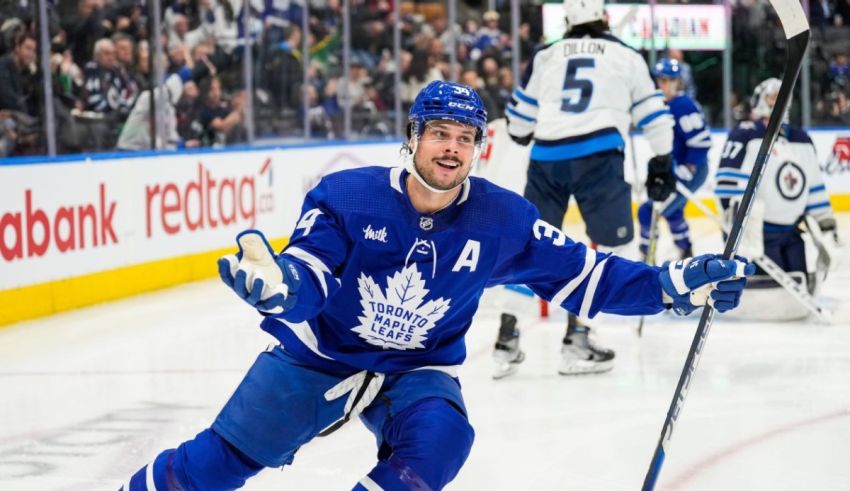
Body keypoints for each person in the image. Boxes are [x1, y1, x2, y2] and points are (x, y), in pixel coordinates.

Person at [121, 81, 752, 491]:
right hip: (320, 356)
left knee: (441, 442)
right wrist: (280, 287)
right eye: (440, 134)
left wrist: (675, 284)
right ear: (414, 137)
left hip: (418, 367)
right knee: (215, 466)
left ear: (480, 146)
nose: (451, 149)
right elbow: (311, 272)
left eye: (465, 138)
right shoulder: (349, 196)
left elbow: (590, 277)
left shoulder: (502, 219)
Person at [493, 0, 676, 378]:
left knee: (529, 247)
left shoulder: (546, 55)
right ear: (605, 18)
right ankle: (578, 338)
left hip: (547, 159)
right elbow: (655, 117)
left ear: (566, 21)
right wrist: (662, 162)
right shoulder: (626, 55)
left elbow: (518, 124)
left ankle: (506, 340)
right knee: (609, 248)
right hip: (599, 156)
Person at [716, 77, 838, 321]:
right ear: (759, 99)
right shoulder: (746, 133)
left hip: (793, 232)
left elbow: (813, 185)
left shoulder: (801, 139)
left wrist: (825, 222)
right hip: (760, 234)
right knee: (768, 300)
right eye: (771, 96)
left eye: (780, 96)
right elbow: (727, 184)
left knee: (797, 294)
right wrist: (736, 221)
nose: (777, 101)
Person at [637, 58, 712, 262]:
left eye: (667, 80)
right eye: (659, 80)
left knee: (648, 212)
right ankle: (686, 251)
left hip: (691, 169)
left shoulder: (682, 105)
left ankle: (646, 256)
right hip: (676, 168)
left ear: (678, 82)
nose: (661, 85)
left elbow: (702, 141)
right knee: (673, 211)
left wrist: (690, 166)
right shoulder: (665, 104)